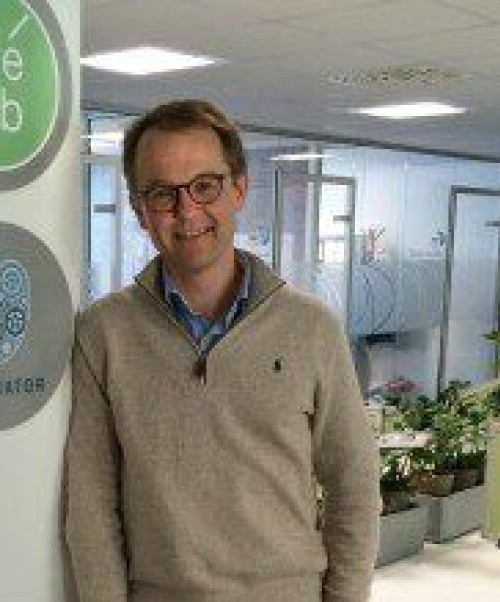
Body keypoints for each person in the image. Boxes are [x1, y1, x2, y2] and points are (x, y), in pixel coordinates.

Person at [65, 99, 380, 602]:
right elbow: (90, 504)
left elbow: (354, 485)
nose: (187, 210)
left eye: (205, 186)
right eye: (162, 194)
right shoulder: (104, 333)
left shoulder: (311, 327)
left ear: (238, 189)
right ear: (140, 210)